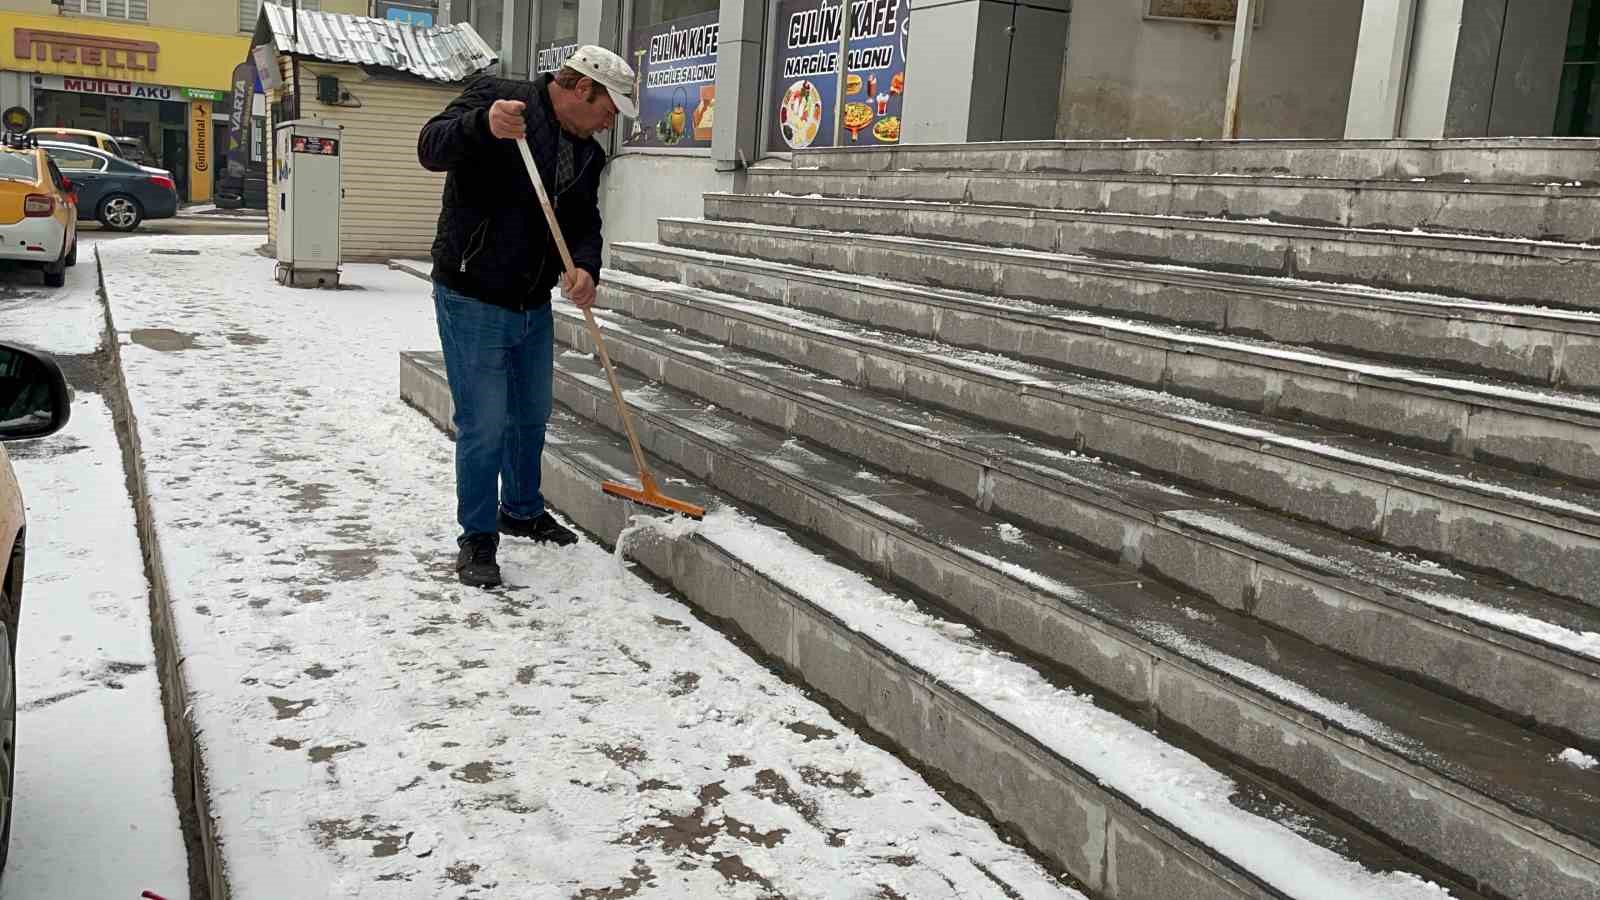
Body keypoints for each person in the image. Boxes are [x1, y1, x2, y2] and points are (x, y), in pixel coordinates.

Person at [418, 46, 638, 588]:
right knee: (484, 423)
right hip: (472, 293)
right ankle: (477, 536)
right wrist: (480, 126)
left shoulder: (588, 152)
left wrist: (586, 267)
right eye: (610, 107)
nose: (612, 120)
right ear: (583, 88)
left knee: (531, 414)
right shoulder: (500, 98)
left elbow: (585, 219)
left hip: (531, 302)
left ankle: (519, 508)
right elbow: (430, 147)